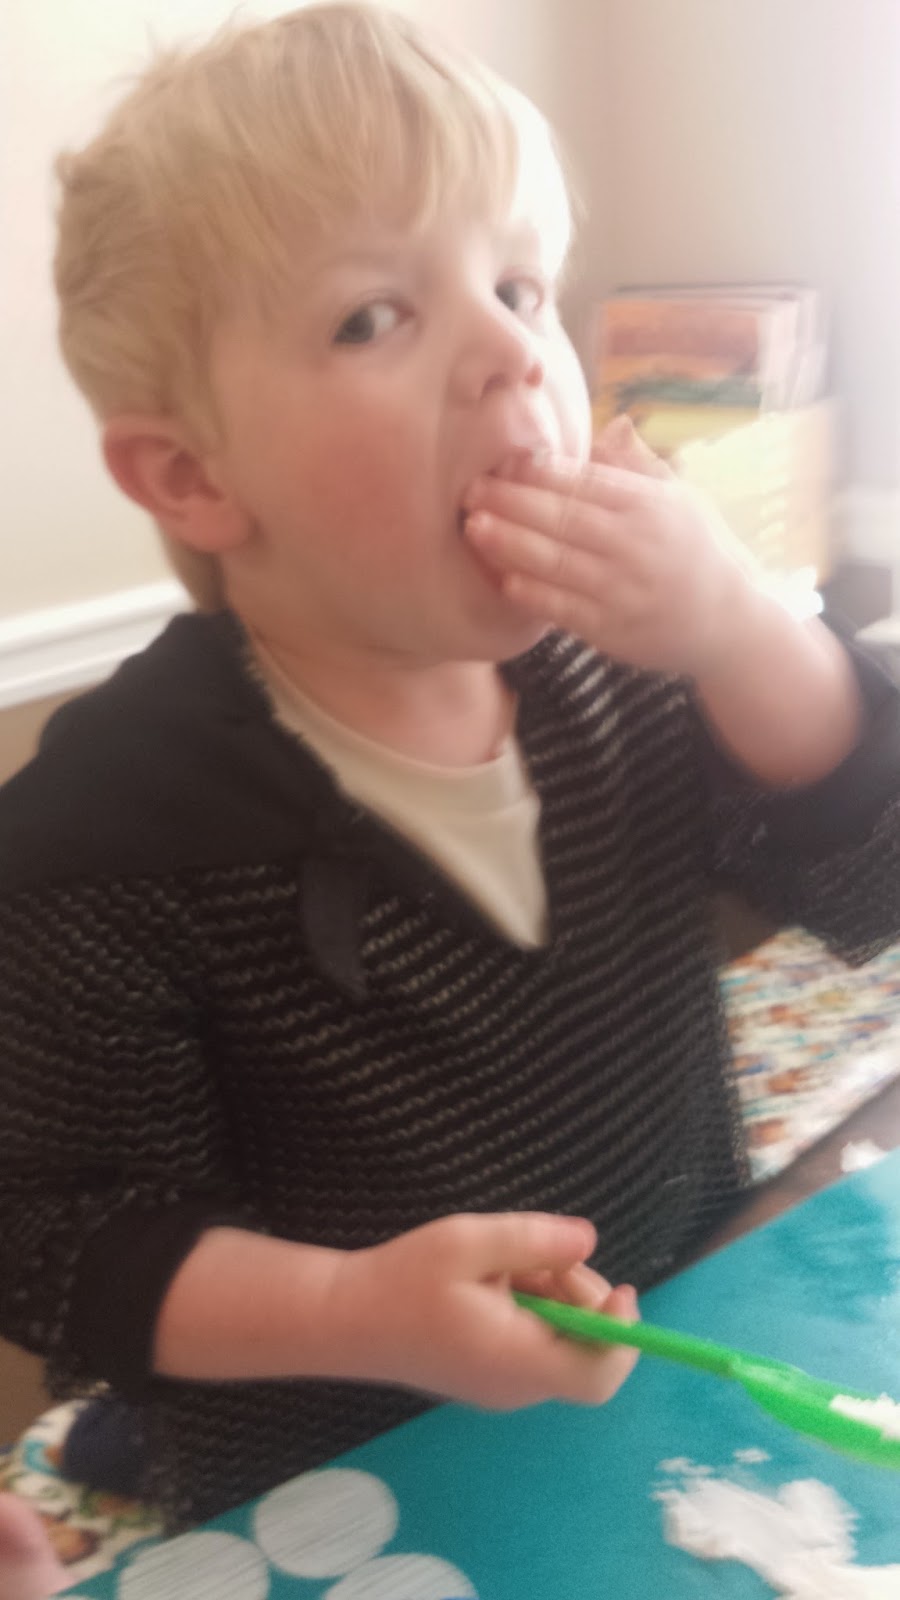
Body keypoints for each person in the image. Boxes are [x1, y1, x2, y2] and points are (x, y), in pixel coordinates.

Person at [1, 0, 899, 1536]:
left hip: (671, 1344)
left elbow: (872, 886)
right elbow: (62, 1244)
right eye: (373, 317)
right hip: (352, 1467)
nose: (511, 354)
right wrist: (357, 1310)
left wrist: (743, 626)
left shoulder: (636, 663)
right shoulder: (106, 838)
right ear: (192, 475)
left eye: (521, 285)